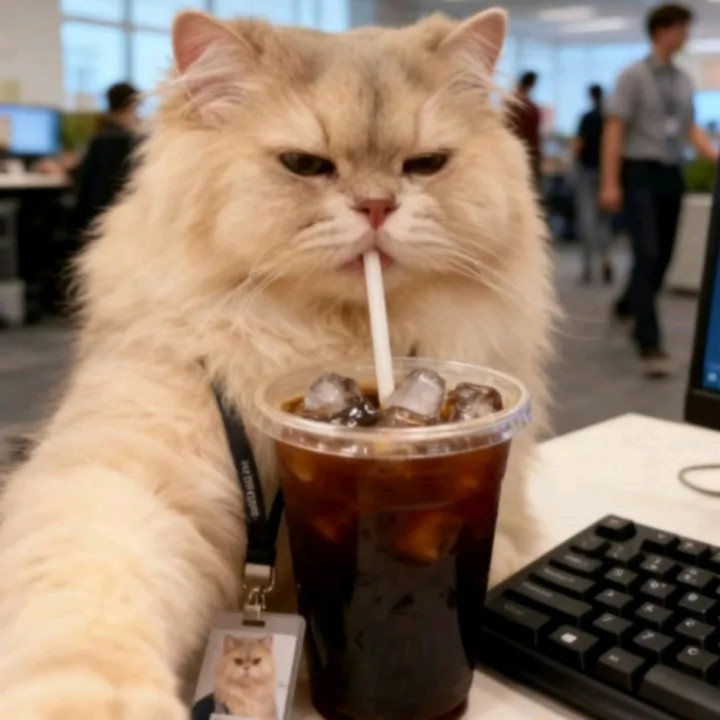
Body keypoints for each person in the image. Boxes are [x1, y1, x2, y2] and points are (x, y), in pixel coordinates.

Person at [601, 3, 718, 378]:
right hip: (639, 174)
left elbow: (689, 128)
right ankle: (649, 342)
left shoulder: (683, 80)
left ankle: (626, 305)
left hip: (671, 174)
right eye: (682, 29)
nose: (685, 36)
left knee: (663, 257)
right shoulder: (633, 76)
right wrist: (610, 182)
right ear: (662, 30)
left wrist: (713, 154)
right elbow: (615, 129)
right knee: (647, 254)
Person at [74, 82, 141, 235]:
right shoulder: (132, 142)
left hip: (93, 221)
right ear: (130, 107)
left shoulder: (100, 138)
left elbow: (83, 177)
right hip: (123, 220)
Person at [574, 84, 614, 285]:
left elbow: (579, 144)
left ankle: (588, 267)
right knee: (604, 222)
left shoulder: (587, 118)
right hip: (605, 174)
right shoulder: (609, 119)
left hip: (586, 173)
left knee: (587, 220)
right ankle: (606, 259)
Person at [508, 71, 542, 185]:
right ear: (532, 85)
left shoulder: (509, 105)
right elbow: (535, 138)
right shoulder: (532, 109)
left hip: (510, 154)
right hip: (525, 156)